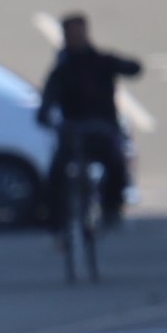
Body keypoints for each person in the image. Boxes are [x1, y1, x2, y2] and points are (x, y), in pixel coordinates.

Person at [38, 13, 140, 231]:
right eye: (71, 34)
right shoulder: (62, 69)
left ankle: (111, 208)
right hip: (73, 131)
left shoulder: (102, 61)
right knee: (57, 173)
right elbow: (49, 96)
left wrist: (129, 65)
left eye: (79, 33)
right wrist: (44, 115)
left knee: (116, 166)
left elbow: (133, 68)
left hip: (103, 129)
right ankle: (56, 222)